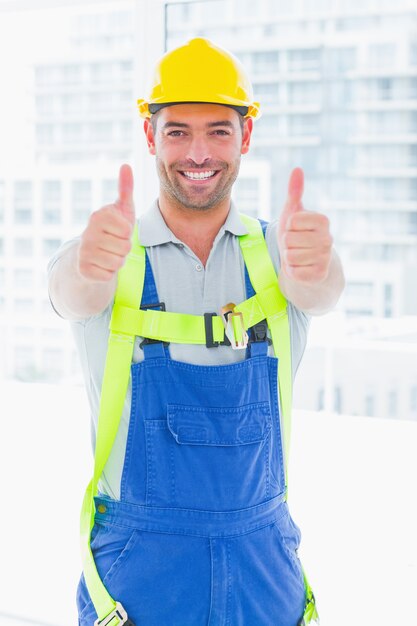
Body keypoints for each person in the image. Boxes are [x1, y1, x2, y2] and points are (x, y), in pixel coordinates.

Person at [48, 38, 344, 626]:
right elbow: (69, 293)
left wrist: (318, 266)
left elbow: (322, 291)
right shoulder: (105, 255)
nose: (198, 152)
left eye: (218, 130)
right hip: (141, 572)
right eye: (178, 131)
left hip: (262, 563)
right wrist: (87, 266)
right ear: (150, 135)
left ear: (246, 138)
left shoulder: (279, 256)